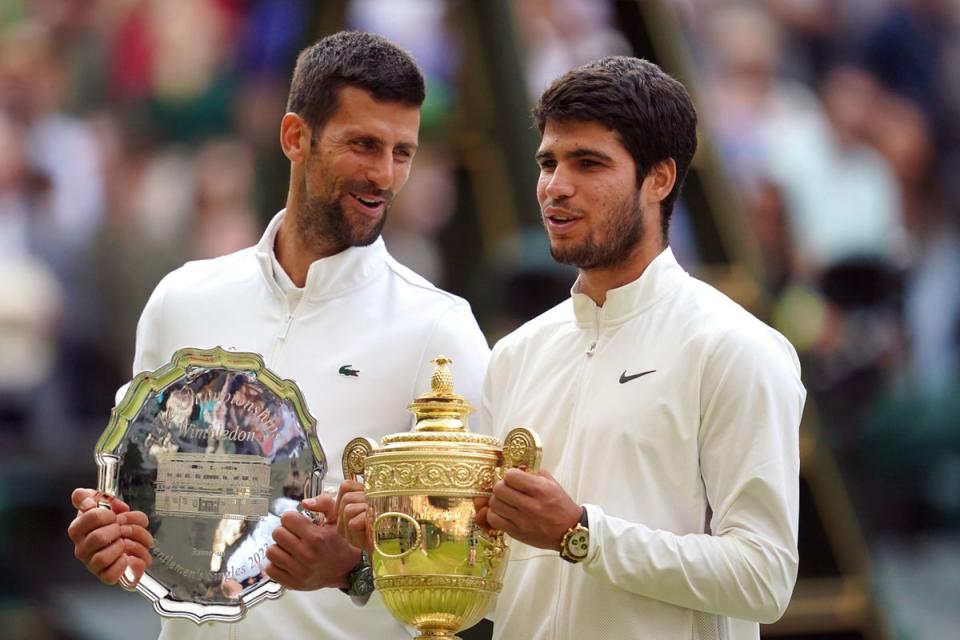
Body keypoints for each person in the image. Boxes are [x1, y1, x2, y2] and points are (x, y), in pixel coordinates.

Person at [66, 30, 489, 640]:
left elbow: (479, 576)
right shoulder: (181, 299)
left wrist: (355, 572)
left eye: (403, 152)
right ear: (295, 137)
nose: (385, 176)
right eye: (364, 145)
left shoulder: (442, 329)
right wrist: (110, 542)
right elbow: (143, 507)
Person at [476, 57, 805, 639]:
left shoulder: (735, 348)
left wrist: (581, 533)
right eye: (548, 162)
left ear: (659, 178)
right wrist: (374, 554)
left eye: (588, 163)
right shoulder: (516, 354)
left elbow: (764, 577)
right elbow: (506, 592)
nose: (556, 185)